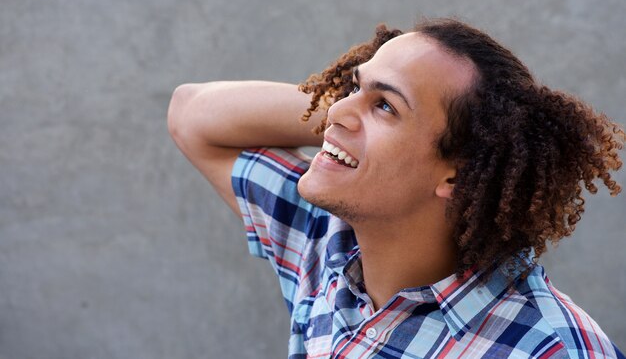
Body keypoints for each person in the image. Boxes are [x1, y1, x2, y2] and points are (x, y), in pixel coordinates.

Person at [168, 18, 625, 358]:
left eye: (385, 106)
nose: (336, 112)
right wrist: (352, 116)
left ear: (458, 175)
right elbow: (191, 115)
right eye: (352, 86)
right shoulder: (324, 244)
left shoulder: (550, 347)